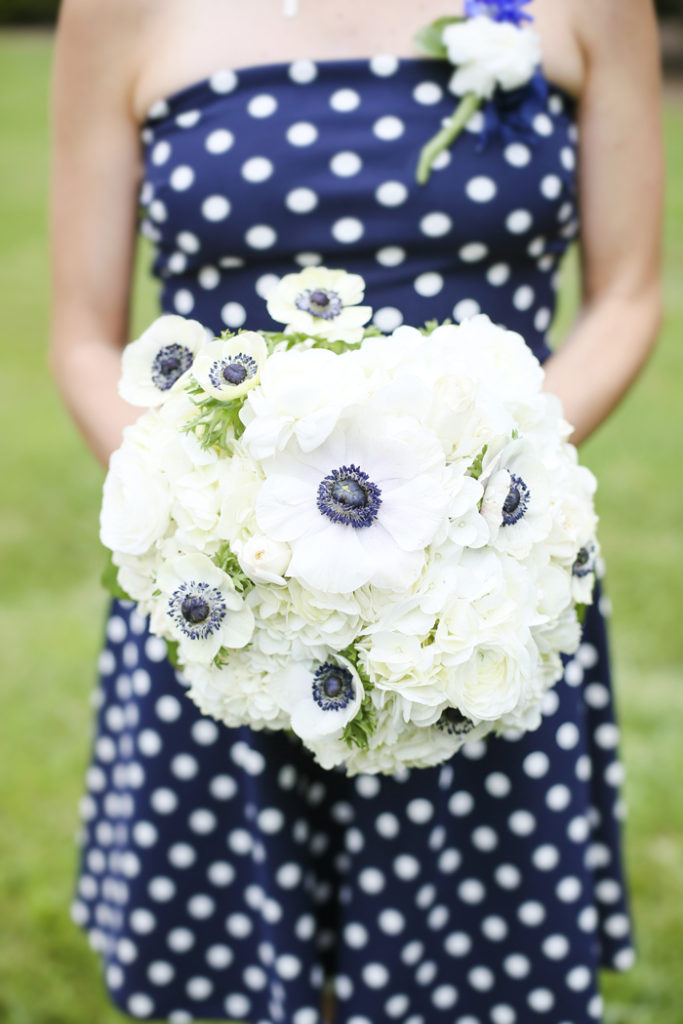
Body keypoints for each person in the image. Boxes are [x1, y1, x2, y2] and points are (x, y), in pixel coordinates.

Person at [49, 0, 663, 1021]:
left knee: (473, 975)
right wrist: (214, 524)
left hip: (479, 582)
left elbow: (629, 290)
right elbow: (81, 334)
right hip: (226, 588)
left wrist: (471, 496)